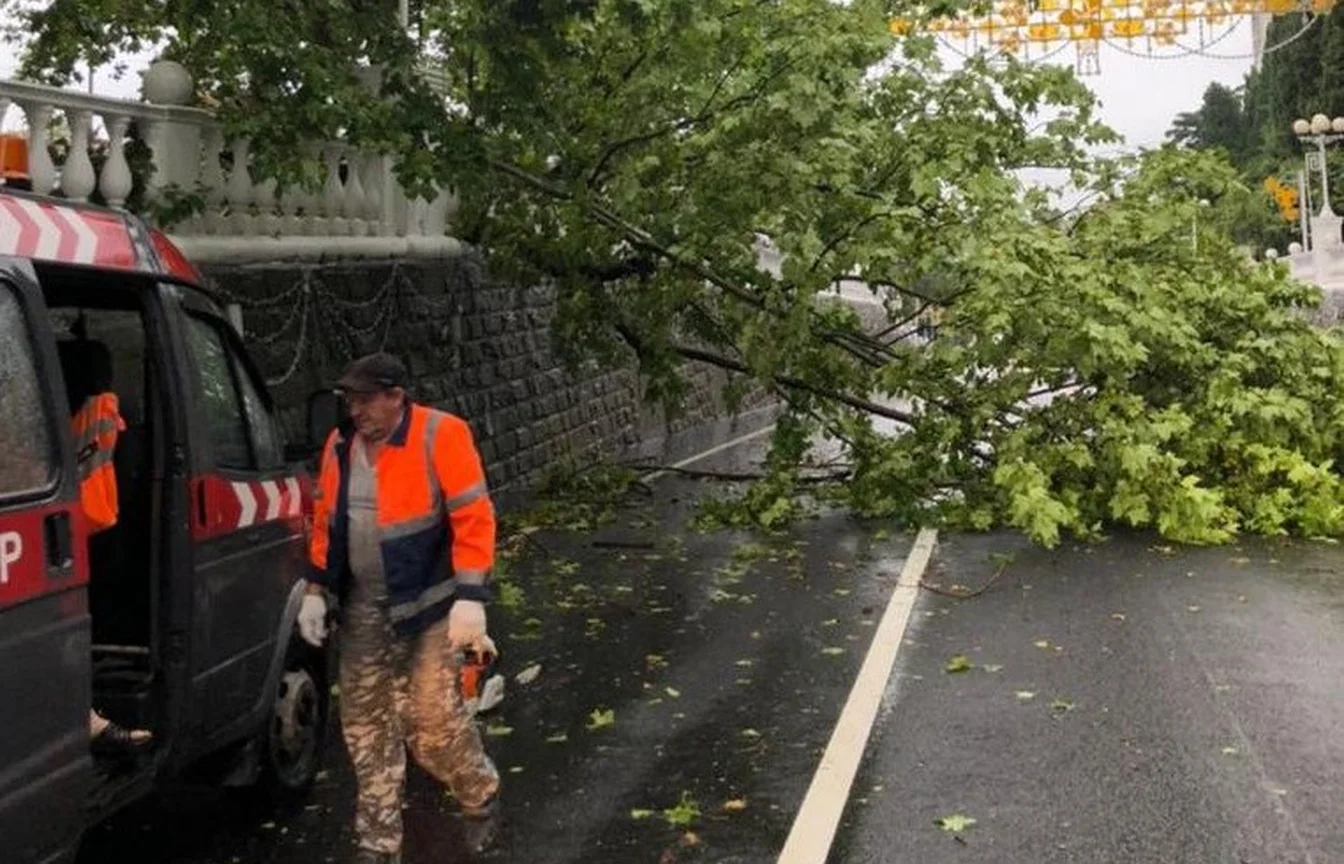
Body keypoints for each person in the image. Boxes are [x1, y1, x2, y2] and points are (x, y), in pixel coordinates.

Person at [298, 352, 500, 864]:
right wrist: (317, 590)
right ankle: (378, 841)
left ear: (396, 396)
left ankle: (478, 786)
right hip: (364, 606)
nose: (356, 410)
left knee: (431, 724)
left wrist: (471, 597)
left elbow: (473, 516)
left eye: (366, 400)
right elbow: (325, 517)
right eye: (349, 399)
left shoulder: (441, 435)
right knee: (365, 721)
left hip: (431, 609)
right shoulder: (341, 444)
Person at [60, 337, 153, 758]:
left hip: (65, 537)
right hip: (105, 535)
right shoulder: (117, 414)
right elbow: (131, 479)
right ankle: (87, 718)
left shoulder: (47, 415)